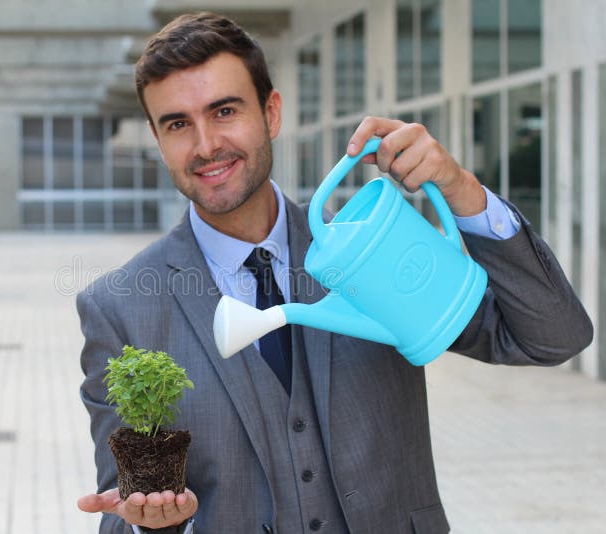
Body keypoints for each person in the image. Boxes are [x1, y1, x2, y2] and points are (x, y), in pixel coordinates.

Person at [76, 12, 592, 534]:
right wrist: (157, 526)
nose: (206, 144)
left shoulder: (374, 250)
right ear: (158, 140)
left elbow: (553, 337)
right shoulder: (120, 308)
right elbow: (121, 509)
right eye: (178, 124)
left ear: (271, 113)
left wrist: (461, 190)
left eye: (224, 110)